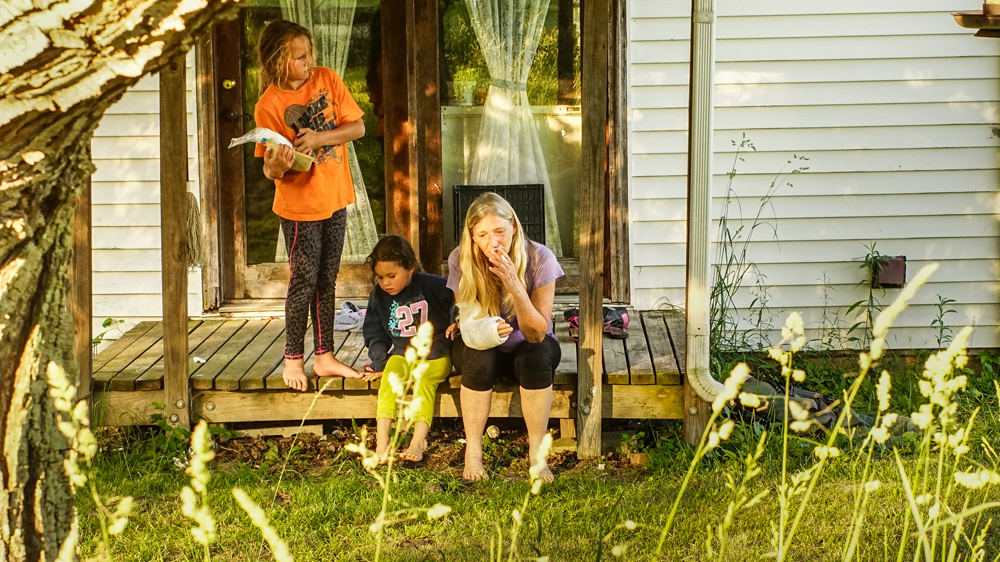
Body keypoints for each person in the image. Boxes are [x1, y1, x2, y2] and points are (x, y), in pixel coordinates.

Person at [254, 20, 366, 391]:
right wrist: (279, 163)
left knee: (327, 279)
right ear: (277, 61)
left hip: (335, 197)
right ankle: (292, 358)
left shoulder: (327, 79)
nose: (307, 62)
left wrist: (319, 138)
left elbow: (357, 129)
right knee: (303, 279)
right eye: (299, 57)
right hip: (299, 207)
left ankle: (325, 355)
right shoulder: (268, 104)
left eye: (308, 54)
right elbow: (269, 168)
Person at [446, 193, 563, 482]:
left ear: (514, 227)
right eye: (483, 235)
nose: (493, 242)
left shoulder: (540, 257)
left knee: (537, 353)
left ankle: (537, 455)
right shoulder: (461, 259)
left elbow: (537, 331)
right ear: (472, 237)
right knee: (477, 356)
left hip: (528, 344)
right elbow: (469, 323)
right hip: (483, 344)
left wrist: (515, 286)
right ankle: (473, 453)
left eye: (499, 231)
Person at [361, 235, 454, 462]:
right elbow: (375, 332)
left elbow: (456, 301)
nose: (385, 283)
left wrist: (456, 320)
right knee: (389, 378)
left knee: (424, 383)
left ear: (410, 269)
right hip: (402, 353)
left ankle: (417, 442)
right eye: (380, 277)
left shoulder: (433, 285)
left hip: (436, 354)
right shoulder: (378, 296)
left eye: (392, 276)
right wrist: (379, 362)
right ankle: (382, 442)